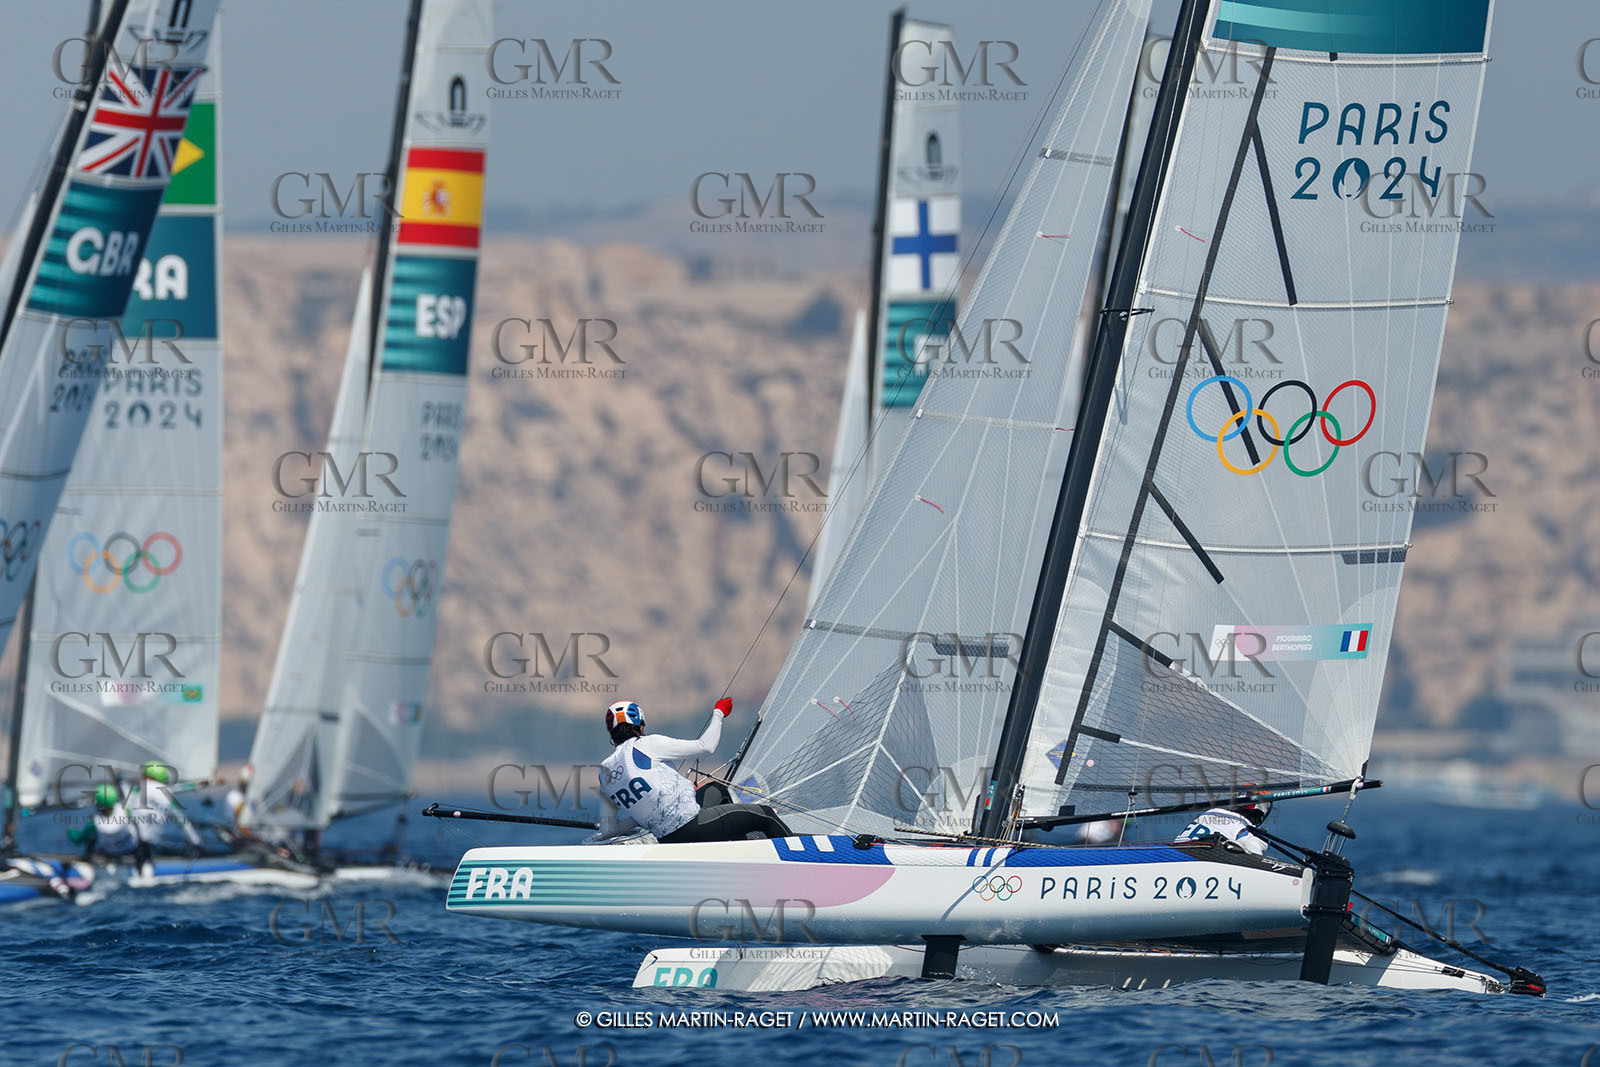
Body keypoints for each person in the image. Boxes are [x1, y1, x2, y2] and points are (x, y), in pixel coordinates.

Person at [599, 698, 792, 844]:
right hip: (693, 827)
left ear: (612, 734)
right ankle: (800, 860)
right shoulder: (646, 744)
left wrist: (644, 815)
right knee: (766, 815)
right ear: (640, 727)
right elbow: (706, 746)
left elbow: (609, 830)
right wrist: (719, 713)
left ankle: (737, 850)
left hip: (667, 839)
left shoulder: (605, 771)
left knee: (716, 790)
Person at [67, 783, 146, 871]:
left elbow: (78, 839)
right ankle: (144, 862)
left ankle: (87, 862)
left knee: (91, 838)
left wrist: (71, 831)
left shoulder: (94, 823)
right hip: (131, 848)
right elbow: (131, 799)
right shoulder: (125, 811)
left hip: (109, 851)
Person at [1173, 793, 1271, 855]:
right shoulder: (1245, 828)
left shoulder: (1212, 812)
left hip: (1171, 854)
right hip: (1198, 859)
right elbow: (1255, 857)